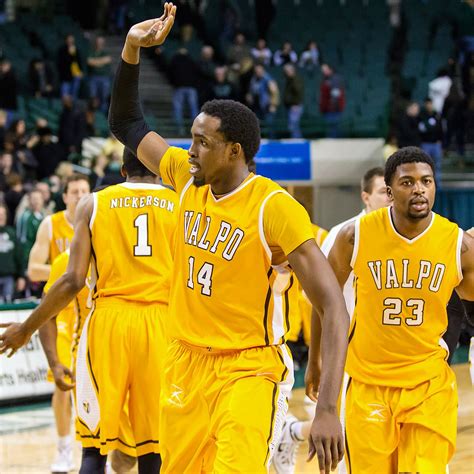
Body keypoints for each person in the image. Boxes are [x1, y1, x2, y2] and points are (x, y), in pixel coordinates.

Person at [107, 5, 349, 473]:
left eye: (202, 142)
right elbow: (126, 123)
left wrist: (328, 408)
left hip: (247, 367)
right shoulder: (184, 176)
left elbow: (333, 305)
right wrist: (132, 48)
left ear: (234, 151)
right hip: (183, 360)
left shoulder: (272, 207)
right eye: (192, 139)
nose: (190, 150)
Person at [0, 150, 178, 474]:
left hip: (109, 323)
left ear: (123, 169)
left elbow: (72, 281)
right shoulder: (180, 205)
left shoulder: (94, 203)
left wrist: (26, 327)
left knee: (94, 452)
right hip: (162, 326)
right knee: (154, 453)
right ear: (159, 169)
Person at [315, 147, 474, 473]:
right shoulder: (352, 237)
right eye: (408, 182)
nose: (419, 188)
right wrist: (321, 379)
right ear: (389, 191)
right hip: (368, 384)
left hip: (428, 385)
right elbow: (325, 306)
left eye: (426, 181)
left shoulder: (458, 245)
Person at [275, 168, 390, 474]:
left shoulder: (410, 238)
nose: (391, 199)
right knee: (342, 453)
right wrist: (317, 360)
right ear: (366, 197)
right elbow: (318, 304)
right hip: (346, 360)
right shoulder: (341, 236)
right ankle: (292, 432)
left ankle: (292, 431)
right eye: (384, 192)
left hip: (391, 361)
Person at [27, 173, 90, 473]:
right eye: (74, 191)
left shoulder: (96, 220)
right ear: (64, 196)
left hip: (91, 307)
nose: (79, 195)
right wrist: (67, 266)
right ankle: (65, 448)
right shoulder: (50, 225)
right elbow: (32, 270)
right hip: (59, 312)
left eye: (84, 191)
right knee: (62, 384)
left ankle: (99, 445)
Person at [0, 204, 23, 302]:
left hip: (9, 277)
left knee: (8, 306)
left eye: (3, 214)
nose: (1, 216)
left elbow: (19, 256)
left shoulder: (12, 233)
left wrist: (21, 276)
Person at [87, 36, 112, 113]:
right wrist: (101, 62)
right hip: (93, 77)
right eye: (98, 42)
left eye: (101, 42)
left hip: (104, 78)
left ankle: (102, 112)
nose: (99, 44)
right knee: (93, 96)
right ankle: (94, 113)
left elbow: (107, 60)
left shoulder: (106, 52)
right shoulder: (91, 52)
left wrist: (95, 62)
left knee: (104, 97)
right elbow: (89, 61)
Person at [320, 64, 345, 138]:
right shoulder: (325, 79)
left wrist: (332, 106)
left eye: (325, 69)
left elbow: (336, 94)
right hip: (327, 108)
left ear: (330, 70)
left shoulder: (335, 79)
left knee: (334, 128)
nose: (323, 71)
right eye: (322, 70)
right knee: (332, 128)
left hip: (333, 109)